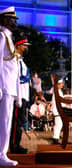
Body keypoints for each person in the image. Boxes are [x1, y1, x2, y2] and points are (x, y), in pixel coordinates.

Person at [0, 6, 21, 166]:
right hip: (4, 87)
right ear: (6, 20)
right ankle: (1, 155)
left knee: (6, 123)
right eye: (12, 19)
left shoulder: (9, 38)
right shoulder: (1, 37)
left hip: (10, 88)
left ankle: (2, 153)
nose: (15, 21)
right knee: (4, 123)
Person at [9, 37, 31, 154]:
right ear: (18, 46)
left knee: (19, 121)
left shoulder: (20, 60)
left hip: (23, 95)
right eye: (24, 45)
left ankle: (16, 143)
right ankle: (14, 145)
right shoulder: (15, 59)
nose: (26, 48)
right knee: (16, 122)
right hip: (18, 95)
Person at [51, 78, 64, 144]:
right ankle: (55, 138)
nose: (62, 85)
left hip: (58, 110)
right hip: (57, 110)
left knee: (59, 124)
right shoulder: (57, 91)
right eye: (61, 84)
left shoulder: (58, 91)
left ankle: (55, 137)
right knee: (58, 124)